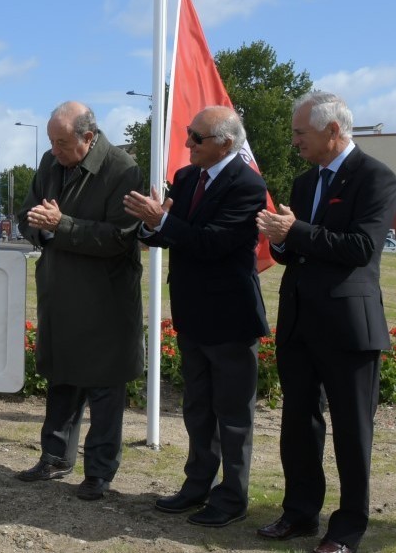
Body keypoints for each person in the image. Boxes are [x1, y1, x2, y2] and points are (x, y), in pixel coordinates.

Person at [255, 91, 396, 553]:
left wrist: (295, 231)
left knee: (352, 432)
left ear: (333, 131)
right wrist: (280, 240)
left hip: (348, 326)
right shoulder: (305, 182)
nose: (295, 140)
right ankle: (299, 513)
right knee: (298, 425)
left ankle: (347, 528)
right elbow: (297, 250)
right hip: (299, 321)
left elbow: (360, 248)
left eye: (301, 133)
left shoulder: (376, 177)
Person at [125, 106, 269, 527]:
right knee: (198, 408)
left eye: (196, 137)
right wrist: (152, 223)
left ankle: (232, 497)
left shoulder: (247, 185)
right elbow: (169, 234)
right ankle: (197, 485)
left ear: (226, 143)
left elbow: (211, 243)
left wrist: (164, 220)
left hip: (231, 317)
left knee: (233, 414)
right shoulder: (188, 177)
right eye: (189, 133)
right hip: (191, 313)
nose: (187, 142)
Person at [11, 101, 142, 501]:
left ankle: (99, 472)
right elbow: (26, 215)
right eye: (51, 141)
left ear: (88, 137)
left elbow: (120, 237)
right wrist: (43, 229)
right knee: (62, 380)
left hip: (105, 300)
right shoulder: (50, 163)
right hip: (60, 292)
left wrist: (61, 225)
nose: (54, 150)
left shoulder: (122, 169)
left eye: (62, 143)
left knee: (104, 390)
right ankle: (54, 457)